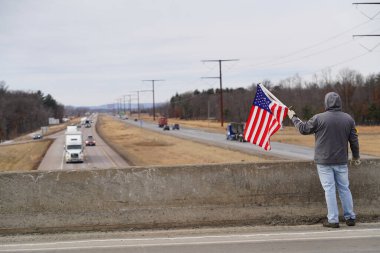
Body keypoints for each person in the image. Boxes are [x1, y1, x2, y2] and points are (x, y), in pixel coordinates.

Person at [288, 92, 360, 228]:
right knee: (345, 188)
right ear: (340, 103)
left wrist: (294, 117)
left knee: (329, 190)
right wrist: (356, 156)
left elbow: (303, 129)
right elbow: (354, 140)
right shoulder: (348, 119)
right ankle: (350, 217)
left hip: (324, 161)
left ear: (326, 103)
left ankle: (333, 220)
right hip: (341, 161)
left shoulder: (318, 118)